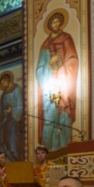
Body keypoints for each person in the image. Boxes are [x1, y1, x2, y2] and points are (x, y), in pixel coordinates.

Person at [36, 11, 78, 151]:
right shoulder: (45, 46)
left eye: (58, 21)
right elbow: (39, 70)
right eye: (53, 22)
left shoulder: (67, 39)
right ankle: (49, 152)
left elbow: (73, 60)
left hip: (63, 85)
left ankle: (65, 151)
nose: (56, 24)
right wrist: (49, 64)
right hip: (49, 91)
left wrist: (61, 70)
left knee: (63, 119)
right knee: (49, 121)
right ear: (50, 25)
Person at [0, 71, 24, 162]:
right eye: (1, 84)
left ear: (7, 80)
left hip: (15, 120)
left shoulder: (17, 89)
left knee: (13, 144)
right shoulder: (4, 94)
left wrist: (12, 110)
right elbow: (0, 108)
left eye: (3, 82)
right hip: (6, 121)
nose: (3, 85)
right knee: (3, 140)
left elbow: (20, 105)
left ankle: (16, 162)